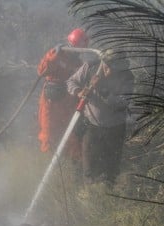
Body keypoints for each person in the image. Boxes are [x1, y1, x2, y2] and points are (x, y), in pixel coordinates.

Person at [66, 49, 134, 186]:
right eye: (110, 68)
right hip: (92, 125)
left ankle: (108, 193)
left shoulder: (127, 77)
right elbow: (71, 82)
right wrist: (79, 92)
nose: (113, 72)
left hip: (115, 127)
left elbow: (123, 102)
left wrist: (102, 90)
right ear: (104, 63)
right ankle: (90, 193)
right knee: (90, 166)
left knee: (111, 168)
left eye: (117, 69)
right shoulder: (90, 67)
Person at [37, 28, 89, 162]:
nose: (77, 54)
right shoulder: (57, 55)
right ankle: (47, 163)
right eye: (75, 49)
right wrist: (53, 56)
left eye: (79, 51)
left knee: (70, 135)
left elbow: (80, 83)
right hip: (51, 103)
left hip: (68, 104)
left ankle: (70, 165)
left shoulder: (79, 64)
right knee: (49, 135)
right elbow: (41, 71)